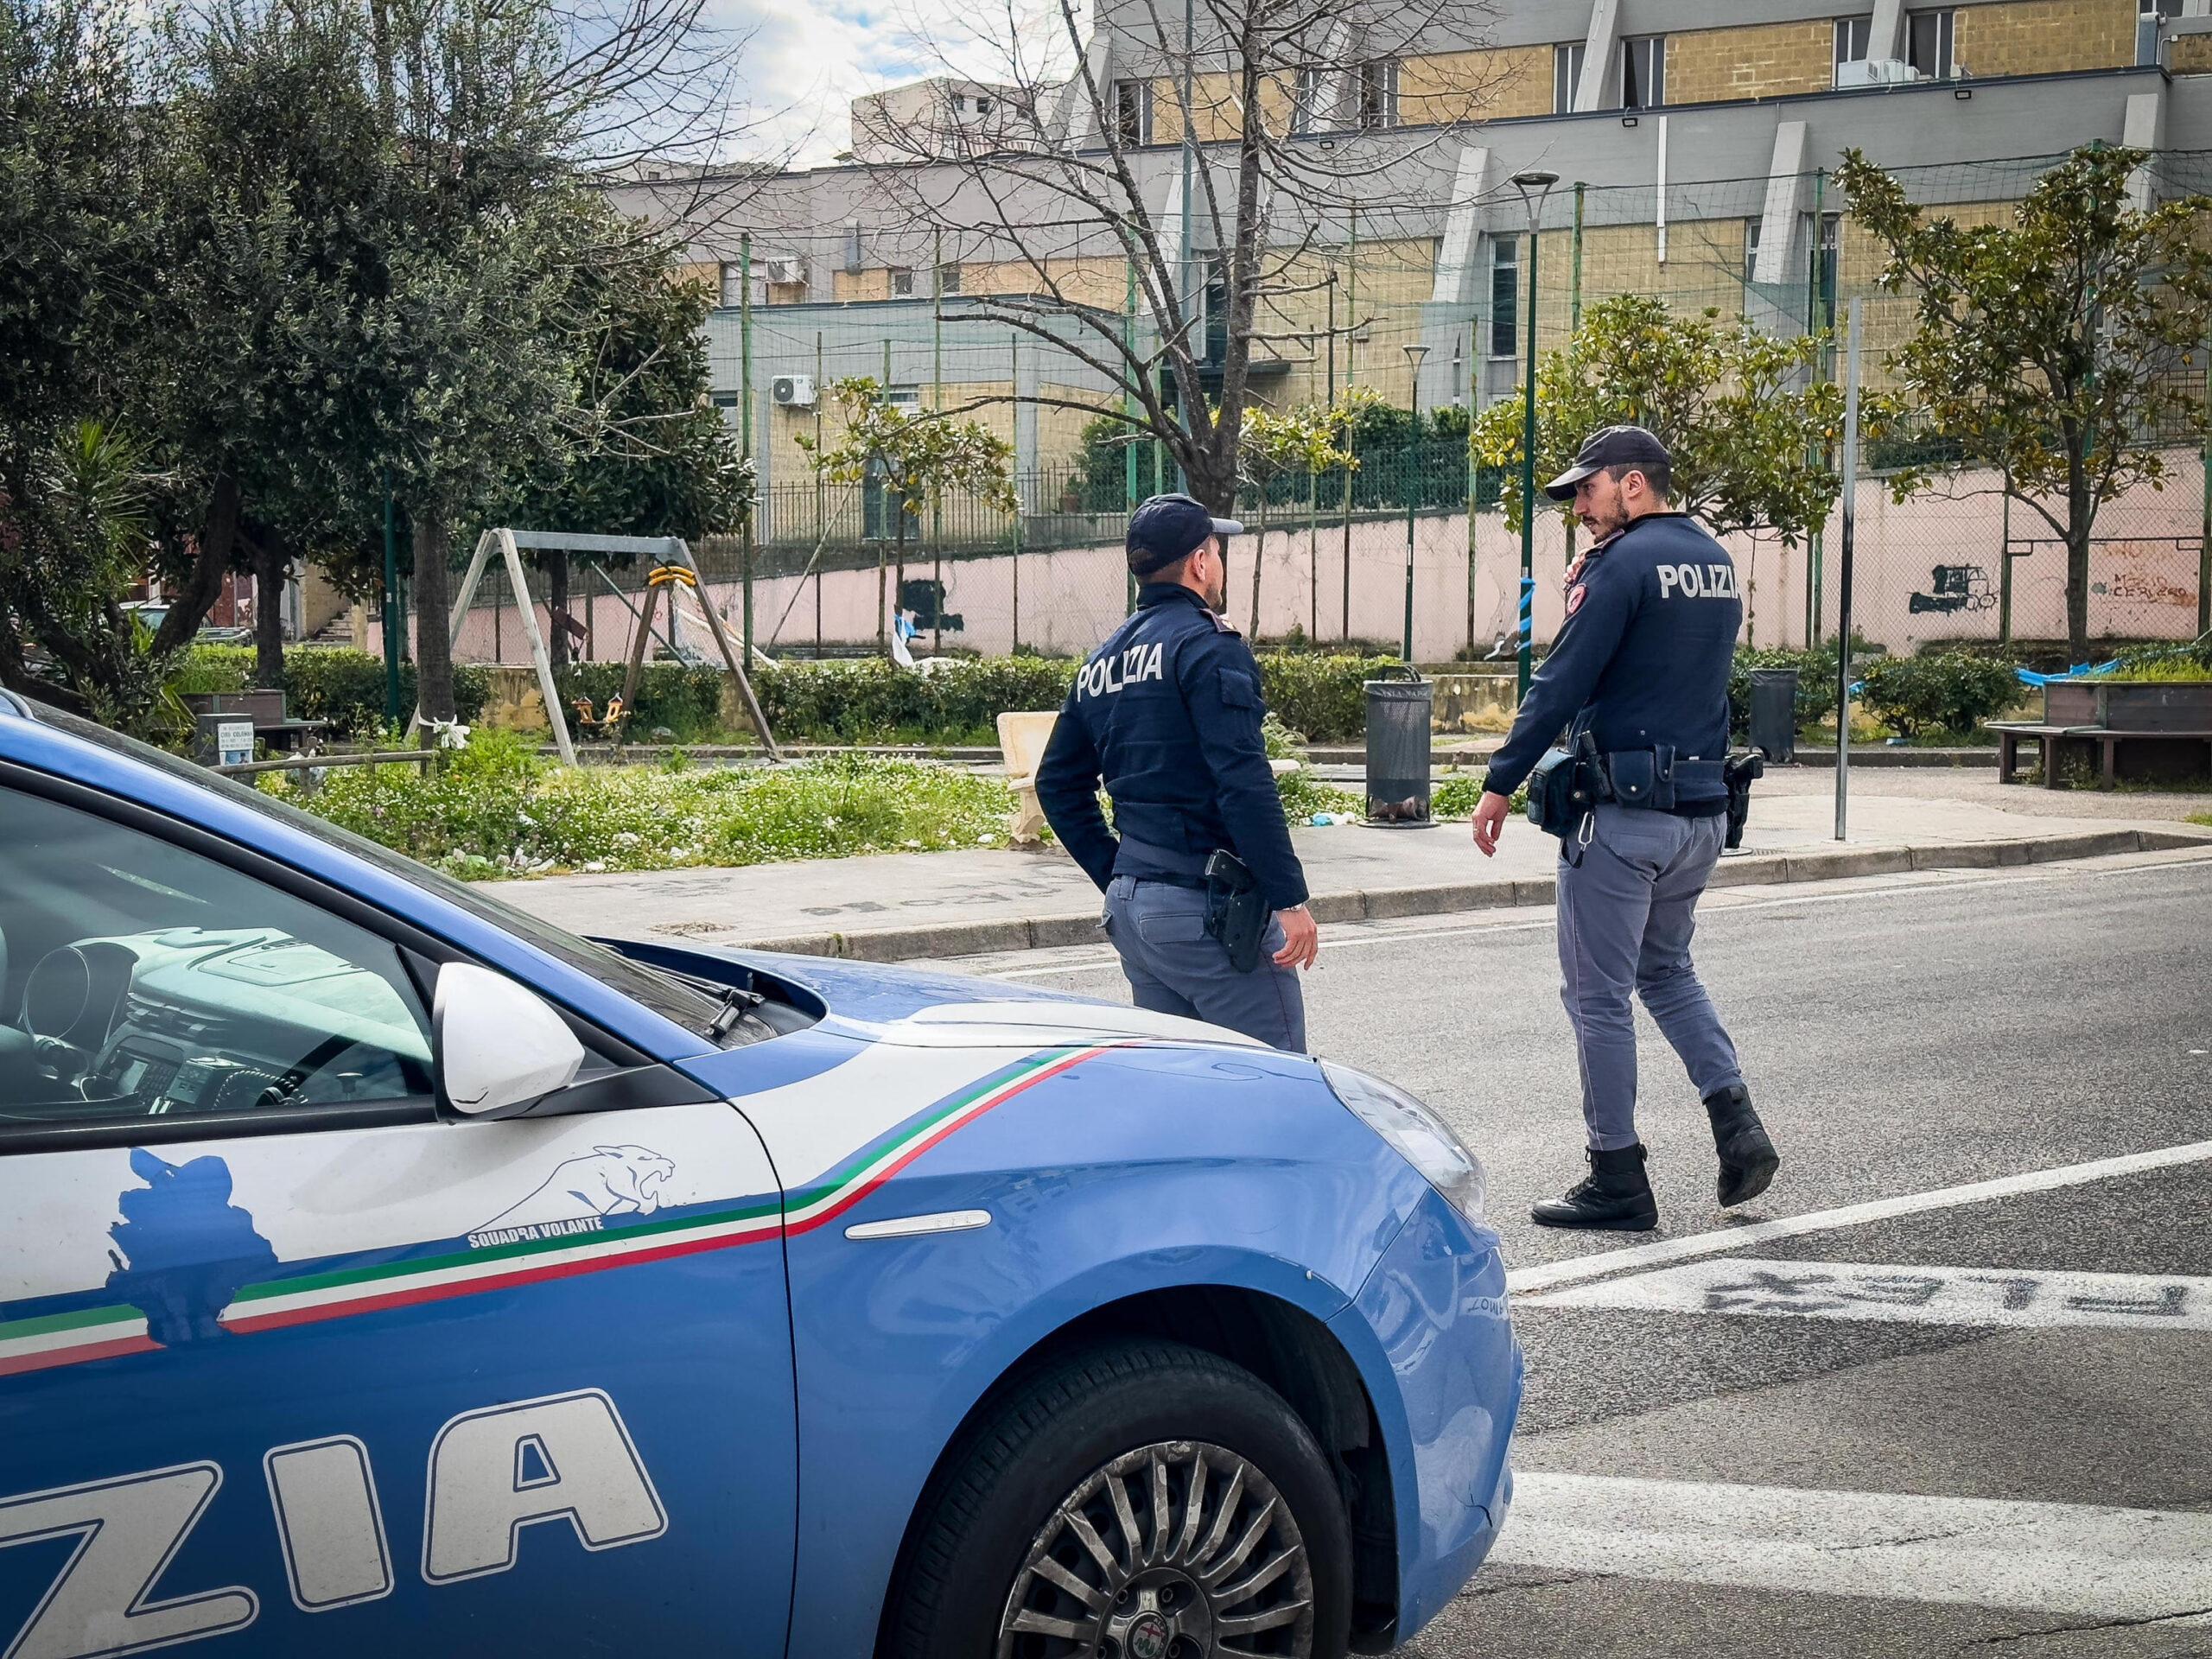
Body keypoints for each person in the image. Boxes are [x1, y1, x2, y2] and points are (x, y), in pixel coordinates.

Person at [1470, 425, 1779, 1231]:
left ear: (1633, 484)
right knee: (1667, 972)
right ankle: (1738, 1127)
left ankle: (1618, 1179)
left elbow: (1563, 680)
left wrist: (1500, 780)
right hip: (1700, 817)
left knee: (1597, 997)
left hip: (1624, 820)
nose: (1579, 506)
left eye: (1588, 489)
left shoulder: (1621, 564)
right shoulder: (1713, 560)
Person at [1035, 492, 1319, 1050]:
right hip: (1206, 908)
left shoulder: (1103, 661)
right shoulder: (1207, 645)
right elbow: (1242, 778)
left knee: (1185, 1085)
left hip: (1135, 912)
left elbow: (1056, 783)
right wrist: (1290, 898)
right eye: (1217, 549)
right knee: (1273, 1084)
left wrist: (1120, 871)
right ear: (1200, 562)